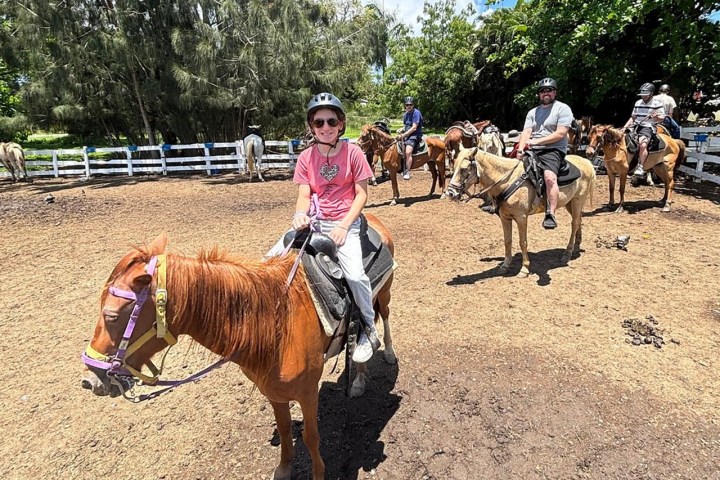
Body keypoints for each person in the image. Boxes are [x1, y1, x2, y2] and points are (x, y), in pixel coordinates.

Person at [265, 92, 380, 363]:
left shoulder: (354, 153)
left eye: (331, 121)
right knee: (268, 261)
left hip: (346, 224)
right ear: (311, 126)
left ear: (341, 124)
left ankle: (369, 328)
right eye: (319, 123)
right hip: (315, 222)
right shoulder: (306, 158)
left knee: (354, 275)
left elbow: (361, 195)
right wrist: (299, 214)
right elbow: (305, 194)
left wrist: (343, 225)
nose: (325, 127)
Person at [516, 77, 575, 230]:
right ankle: (497, 202)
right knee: (511, 170)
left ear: (554, 93)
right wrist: (520, 150)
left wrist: (537, 142)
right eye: (543, 91)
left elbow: (560, 133)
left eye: (549, 90)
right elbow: (527, 132)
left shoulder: (563, 109)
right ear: (539, 95)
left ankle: (550, 213)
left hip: (553, 150)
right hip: (533, 149)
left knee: (549, 177)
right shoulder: (532, 112)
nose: (546, 93)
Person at [622, 82, 666, 176]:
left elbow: (662, 118)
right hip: (635, 125)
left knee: (643, 144)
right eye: (642, 95)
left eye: (645, 95)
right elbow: (633, 117)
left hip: (648, 126)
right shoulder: (638, 103)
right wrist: (625, 127)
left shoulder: (657, 104)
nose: (643, 97)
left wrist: (656, 117)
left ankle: (640, 166)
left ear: (651, 94)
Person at [399, 96, 423, 180]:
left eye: (410, 105)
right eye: (407, 105)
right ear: (405, 106)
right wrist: (401, 129)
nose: (408, 106)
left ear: (413, 105)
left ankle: (407, 171)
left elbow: (414, 127)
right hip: (407, 134)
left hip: (415, 135)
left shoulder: (416, 113)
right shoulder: (405, 114)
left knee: (408, 151)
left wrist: (404, 135)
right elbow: (406, 126)